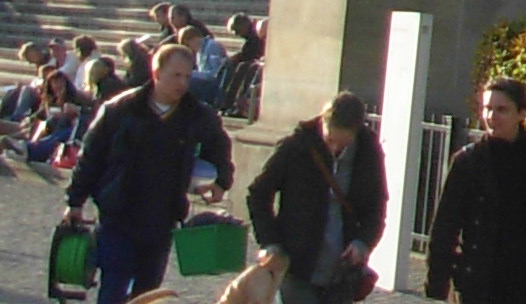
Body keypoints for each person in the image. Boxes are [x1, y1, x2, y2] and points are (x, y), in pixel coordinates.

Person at [60, 40, 235, 304]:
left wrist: (221, 181)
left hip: (162, 217)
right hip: (118, 213)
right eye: (176, 75)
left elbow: (219, 146)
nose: (182, 83)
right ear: (157, 73)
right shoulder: (120, 109)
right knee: (114, 287)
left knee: (148, 292)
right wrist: (75, 201)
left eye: (187, 76)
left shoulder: (196, 114)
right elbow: (91, 156)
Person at [424, 76, 526, 304]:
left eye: (501, 110)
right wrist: (436, 289)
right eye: (487, 108)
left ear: (522, 114)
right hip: (476, 282)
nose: (491, 117)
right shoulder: (468, 161)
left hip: (524, 283)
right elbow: (445, 228)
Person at [248, 92, 386, 304]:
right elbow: (258, 194)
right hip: (297, 265)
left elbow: (376, 206)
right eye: (330, 140)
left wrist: (363, 242)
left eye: (343, 144)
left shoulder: (368, 153)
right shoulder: (297, 147)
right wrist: (271, 242)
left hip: (341, 271)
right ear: (323, 122)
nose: (335, 149)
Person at [21, 68, 85, 163]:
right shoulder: (50, 99)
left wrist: (67, 106)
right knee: (43, 124)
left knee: (56, 122)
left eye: (60, 82)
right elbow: (39, 115)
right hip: (48, 128)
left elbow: (83, 113)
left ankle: (28, 148)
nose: (57, 85)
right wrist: (30, 119)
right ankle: (26, 145)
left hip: (66, 128)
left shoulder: (75, 97)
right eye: (54, 82)